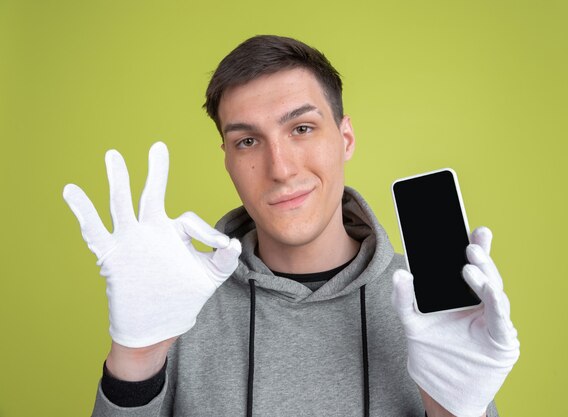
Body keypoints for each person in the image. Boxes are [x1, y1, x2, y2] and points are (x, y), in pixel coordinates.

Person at [63, 35, 520, 417]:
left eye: (301, 128)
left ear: (345, 138)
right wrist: (135, 357)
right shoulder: (178, 299)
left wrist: (456, 408)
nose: (279, 168)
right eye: (247, 141)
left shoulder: (432, 306)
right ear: (227, 160)